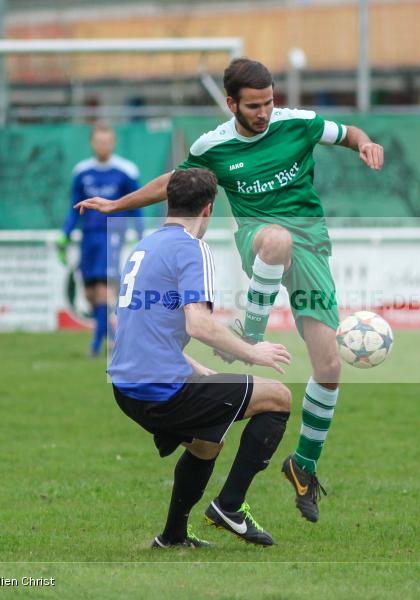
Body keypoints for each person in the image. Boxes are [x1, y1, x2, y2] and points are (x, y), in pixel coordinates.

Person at [75, 58, 385, 523]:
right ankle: (250, 333)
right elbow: (174, 183)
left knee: (330, 366)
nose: (264, 113)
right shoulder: (213, 145)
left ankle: (303, 467)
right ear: (232, 104)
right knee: (276, 238)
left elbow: (349, 132)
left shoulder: (297, 124)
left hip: (313, 246)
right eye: (254, 106)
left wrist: (367, 143)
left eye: (269, 102)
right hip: (259, 238)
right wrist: (119, 204)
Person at [110, 168, 293, 548]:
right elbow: (199, 323)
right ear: (208, 209)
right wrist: (253, 352)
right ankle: (230, 506)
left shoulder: (144, 248)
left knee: (208, 441)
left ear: (167, 202)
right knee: (278, 397)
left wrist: (195, 367)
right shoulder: (192, 248)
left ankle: (173, 537)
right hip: (161, 388)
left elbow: (141, 323)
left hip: (126, 385)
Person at [58, 123, 143, 357]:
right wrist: (65, 233)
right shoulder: (82, 172)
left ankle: (97, 346)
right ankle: (113, 338)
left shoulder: (126, 171)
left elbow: (136, 205)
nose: (102, 145)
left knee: (104, 288)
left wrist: (140, 234)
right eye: (99, 141)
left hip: (112, 232)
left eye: (106, 141)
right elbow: (74, 208)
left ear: (113, 143)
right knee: (89, 292)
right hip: (89, 235)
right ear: (92, 143)